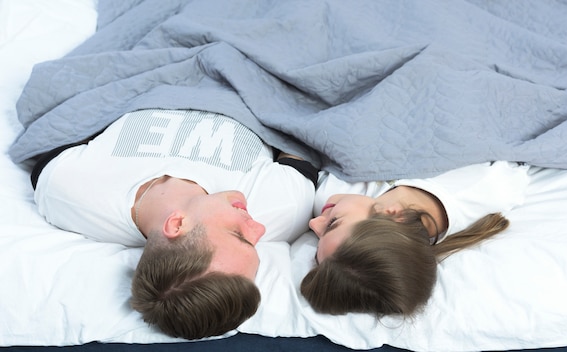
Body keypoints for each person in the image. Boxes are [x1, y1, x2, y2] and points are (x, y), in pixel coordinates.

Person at [30, 108, 317, 339]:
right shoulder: (283, 206)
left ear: (177, 224)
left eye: (238, 236)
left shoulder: (68, 190)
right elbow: (300, 121)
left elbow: (66, 114)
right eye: (254, 244)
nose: (259, 229)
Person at [300, 161, 530, 317]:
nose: (313, 223)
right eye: (332, 223)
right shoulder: (488, 184)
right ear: (394, 215)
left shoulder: (328, 192)